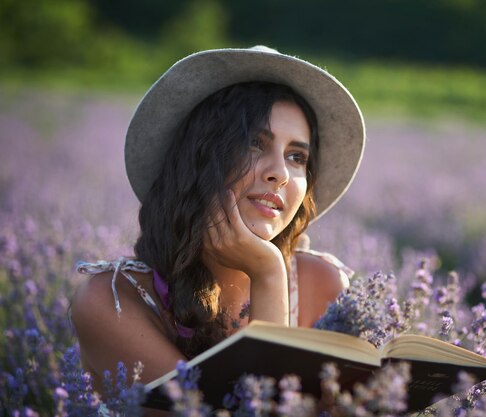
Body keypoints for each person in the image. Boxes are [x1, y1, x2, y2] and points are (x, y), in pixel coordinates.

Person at [70, 46, 366, 405]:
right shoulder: (112, 300)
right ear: (200, 158)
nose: (281, 174)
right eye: (254, 143)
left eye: (297, 156)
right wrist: (268, 275)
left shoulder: (322, 283)